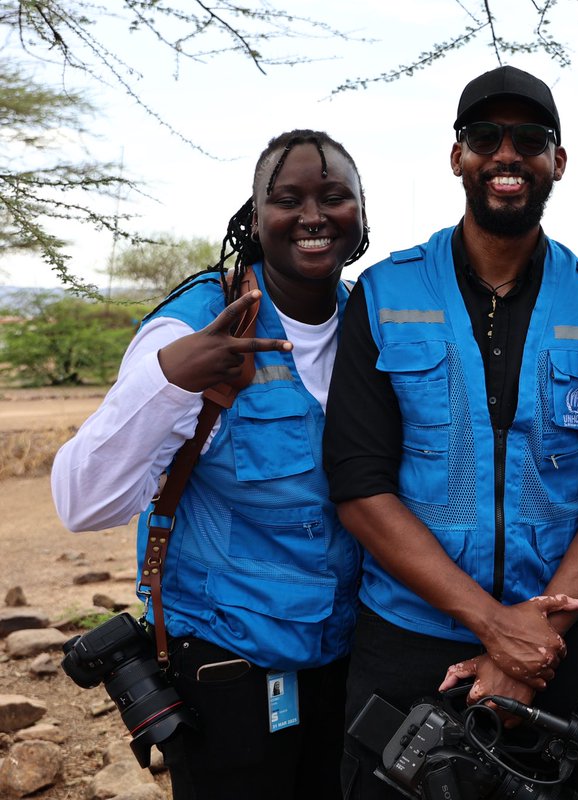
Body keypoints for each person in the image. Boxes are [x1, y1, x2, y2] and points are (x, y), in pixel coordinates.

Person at [323, 65, 578, 799]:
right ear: (458, 155)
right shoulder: (386, 291)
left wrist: (533, 641)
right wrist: (493, 628)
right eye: (486, 137)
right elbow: (358, 481)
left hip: (553, 651)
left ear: (557, 161)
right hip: (409, 641)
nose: (508, 155)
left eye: (530, 139)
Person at [51, 129, 370, 799]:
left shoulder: (369, 326)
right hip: (227, 669)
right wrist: (169, 378)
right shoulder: (191, 325)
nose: (313, 215)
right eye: (288, 199)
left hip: (340, 661)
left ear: (361, 215)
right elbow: (82, 502)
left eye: (334, 196)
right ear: (255, 218)